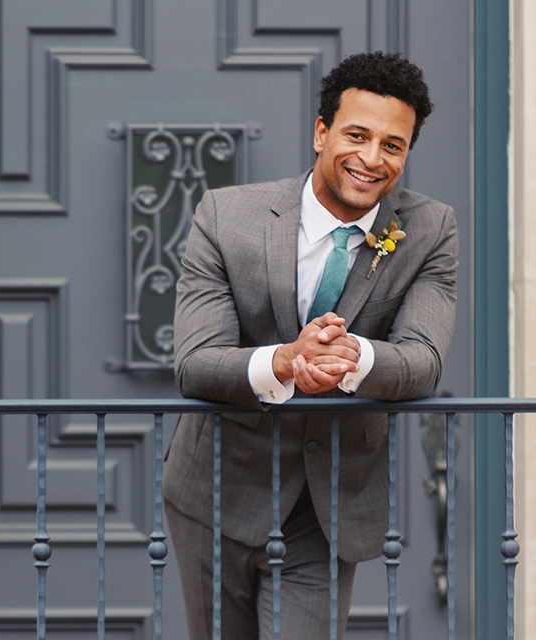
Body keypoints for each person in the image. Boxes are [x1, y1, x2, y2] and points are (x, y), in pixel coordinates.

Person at [162, 51, 458, 639]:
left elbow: (422, 359)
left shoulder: (430, 229)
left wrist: (352, 358)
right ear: (322, 133)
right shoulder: (226, 217)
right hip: (217, 487)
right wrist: (286, 360)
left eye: (393, 145)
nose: (372, 160)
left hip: (326, 508)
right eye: (357, 135)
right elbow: (196, 362)